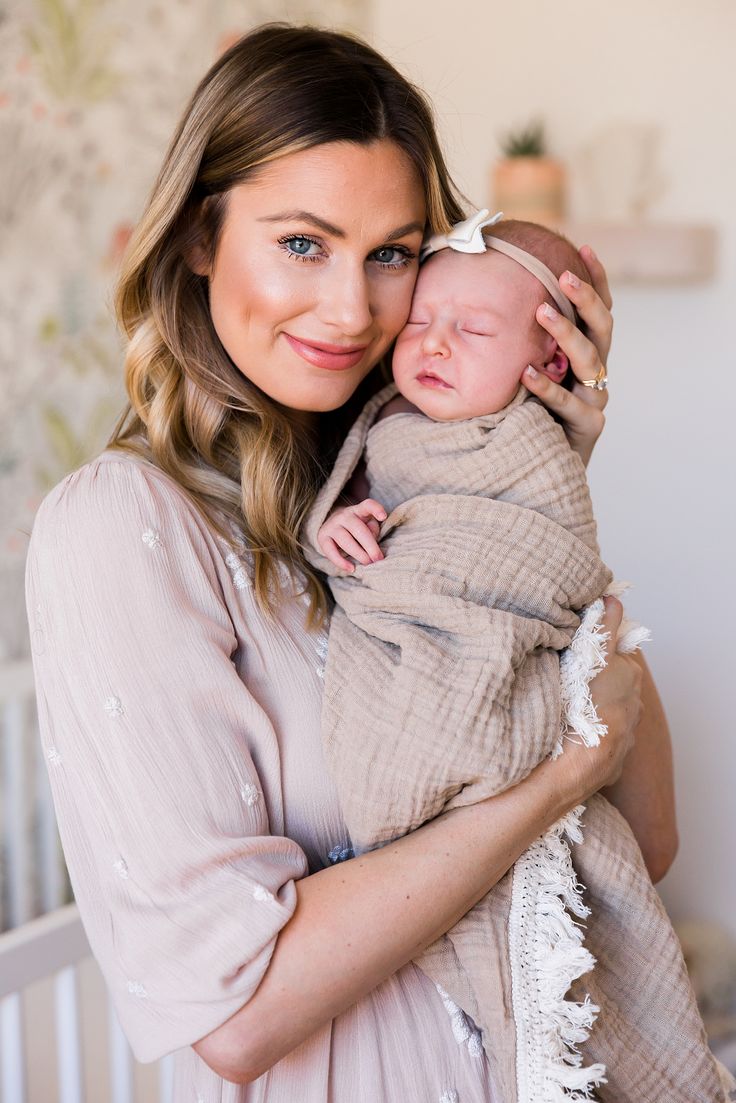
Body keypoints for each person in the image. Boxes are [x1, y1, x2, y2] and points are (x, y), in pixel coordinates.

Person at [24, 23, 668, 1102]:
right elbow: (237, 1013)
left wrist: (540, 485)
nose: (352, 309)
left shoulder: (412, 499)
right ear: (195, 238)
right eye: (303, 244)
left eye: (391, 253)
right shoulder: (123, 529)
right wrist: (556, 775)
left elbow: (643, 846)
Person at [305, 215, 729, 1101]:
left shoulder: (538, 447)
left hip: (506, 672)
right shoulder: (381, 428)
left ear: (546, 362)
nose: (433, 342)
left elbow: (559, 568)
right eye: (420, 320)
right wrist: (335, 527)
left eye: (475, 329)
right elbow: (350, 518)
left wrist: (568, 458)